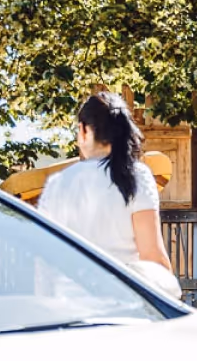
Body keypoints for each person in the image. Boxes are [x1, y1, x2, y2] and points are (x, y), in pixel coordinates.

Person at [38, 91, 179, 298]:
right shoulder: (136, 176)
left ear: (84, 130)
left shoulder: (57, 184)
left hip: (69, 305)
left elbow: (45, 261)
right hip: (123, 302)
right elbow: (152, 256)